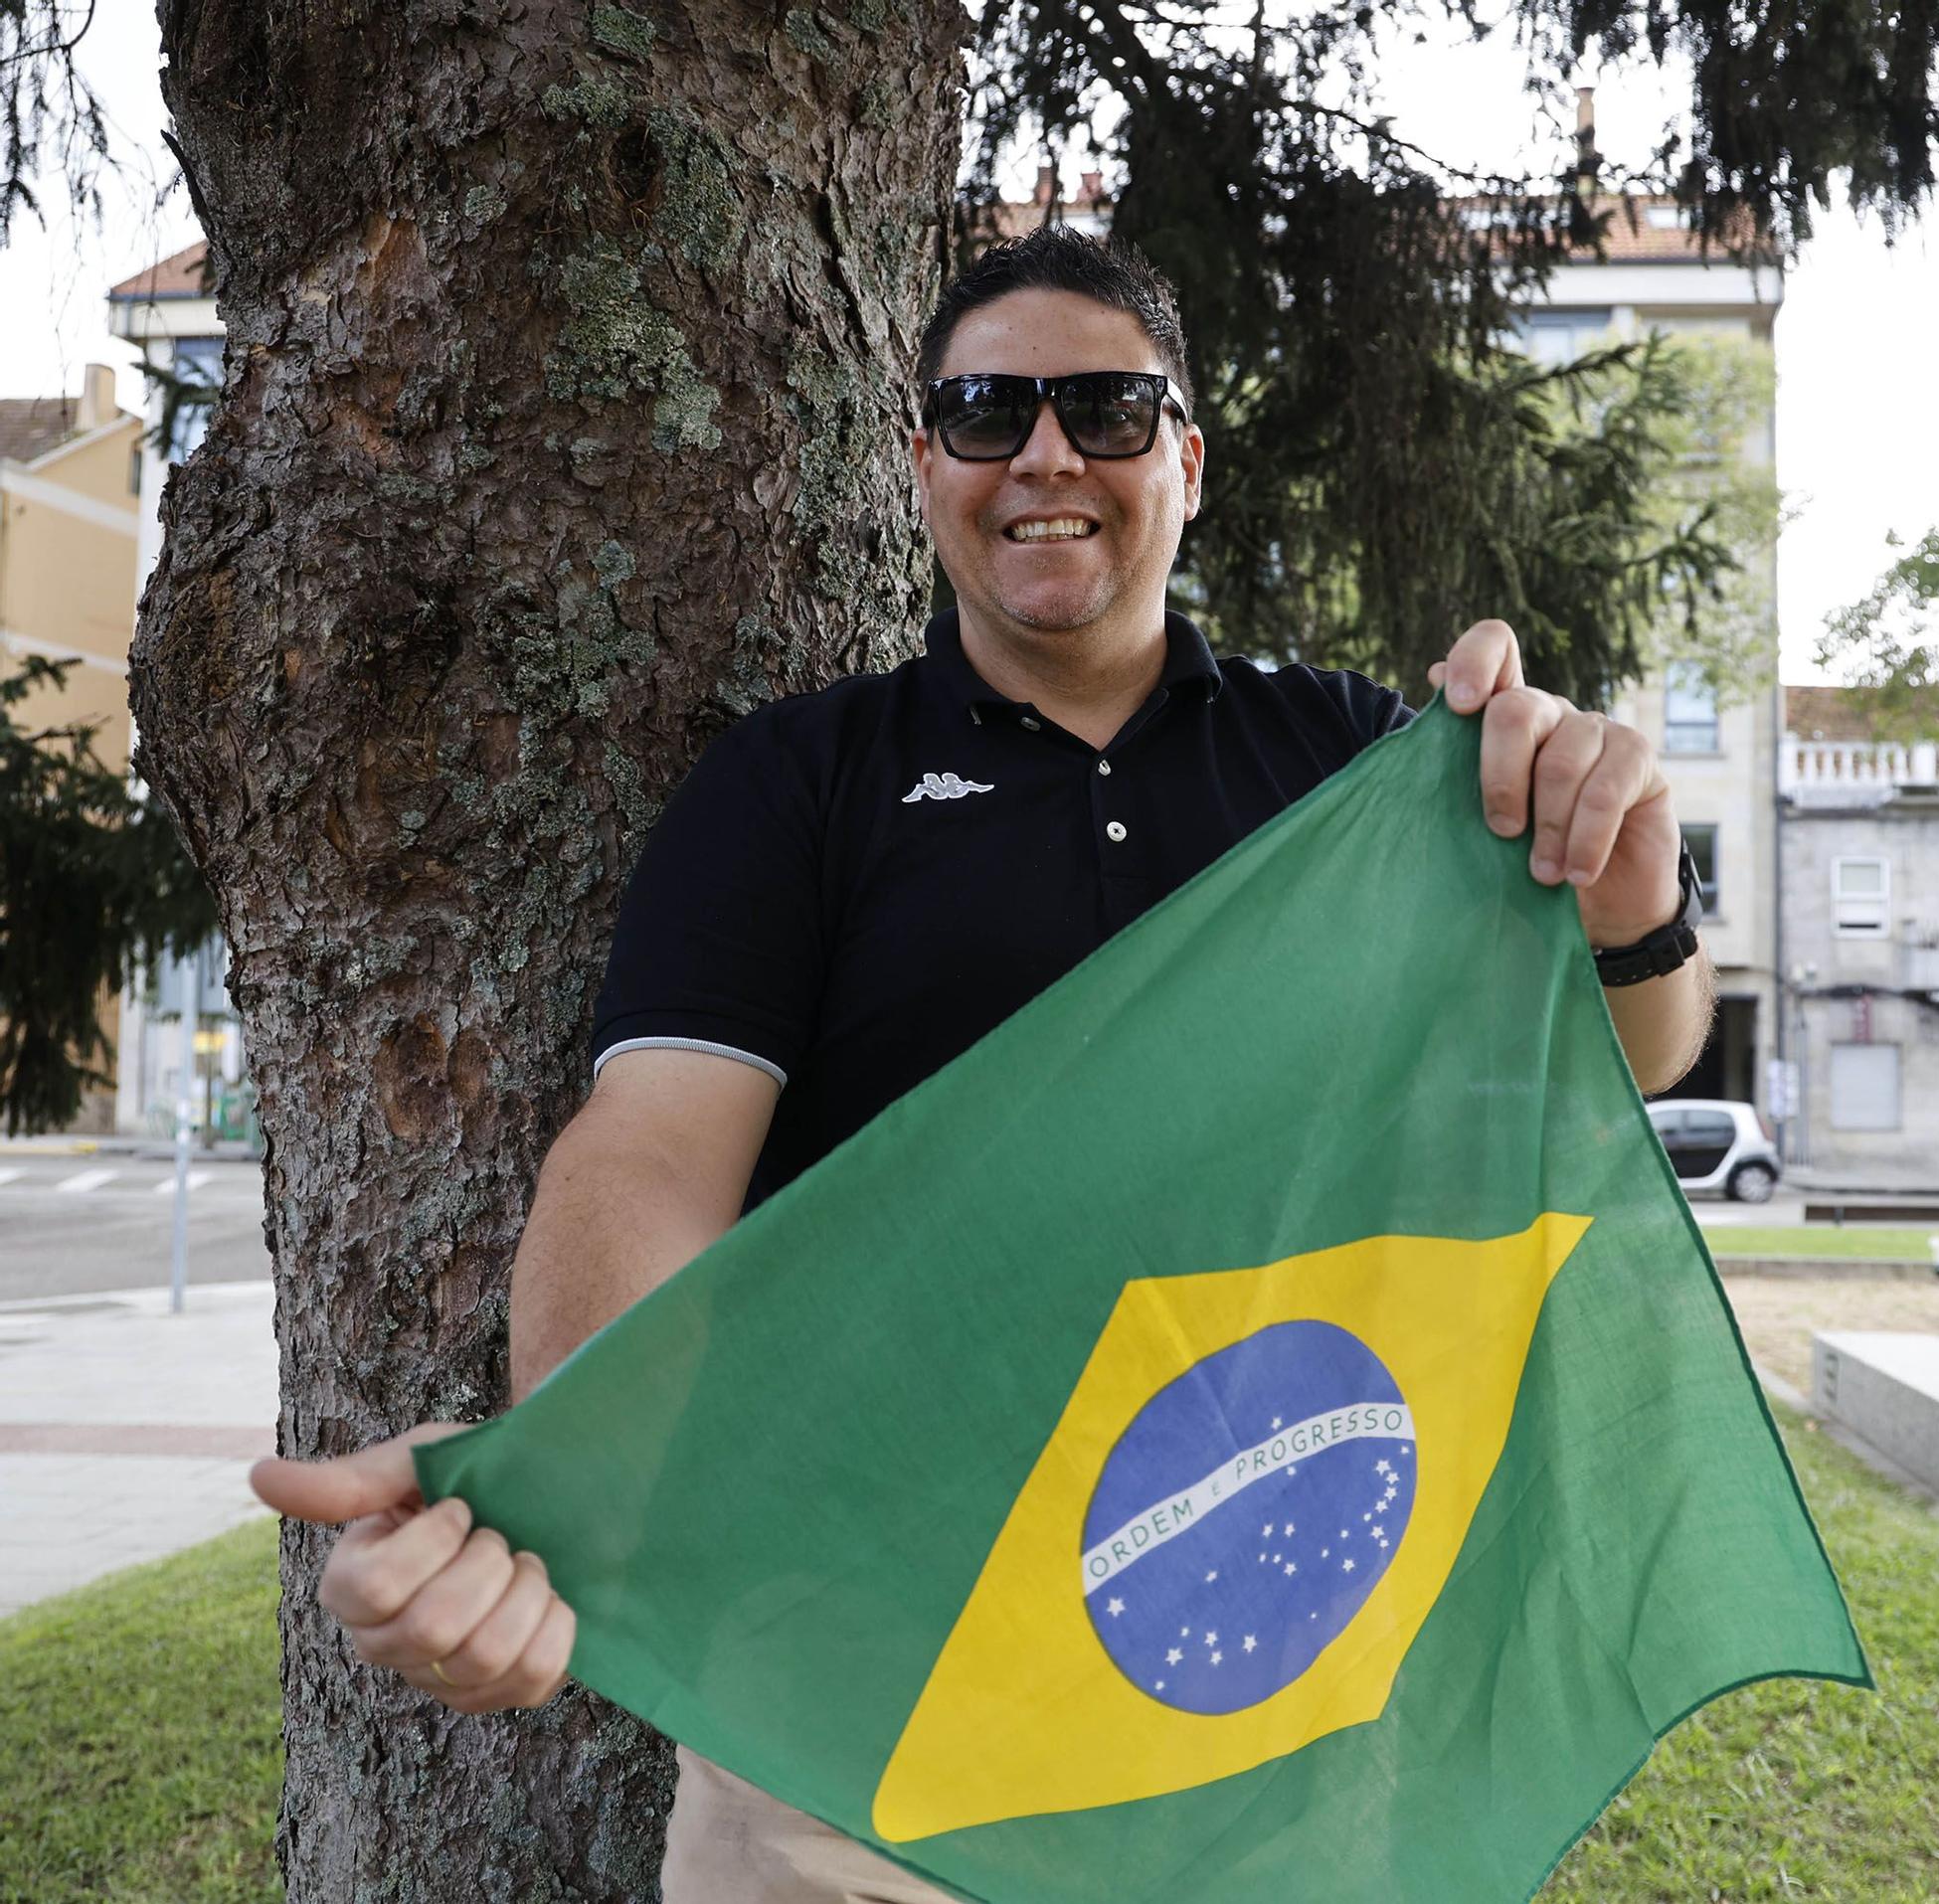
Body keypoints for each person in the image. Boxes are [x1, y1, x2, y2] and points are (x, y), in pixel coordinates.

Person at [249, 226, 1714, 1899]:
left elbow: (1635, 1054)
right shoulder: (797, 785)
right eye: (986, 410)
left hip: (1281, 1690)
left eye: (1105, 409)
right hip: (865, 1704)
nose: (1044, 456)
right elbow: (649, 1153)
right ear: (918, 458)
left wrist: (1631, 879)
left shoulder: (1356, 764)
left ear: (1187, 459)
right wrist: (562, 1499)